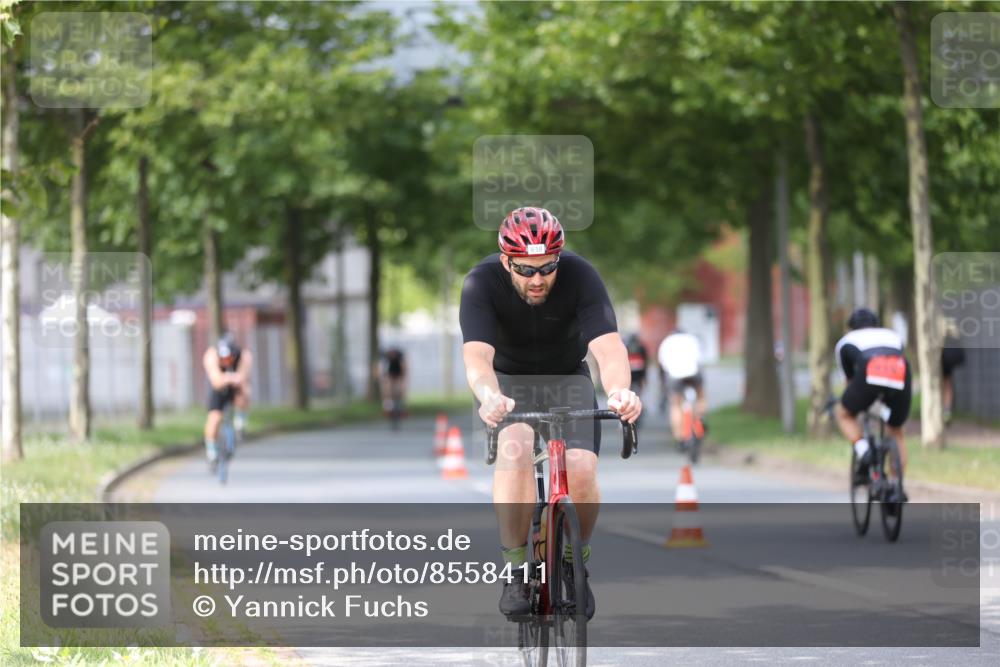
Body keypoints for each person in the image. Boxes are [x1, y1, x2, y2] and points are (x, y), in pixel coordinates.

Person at [459, 206, 641, 620]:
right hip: (508, 384)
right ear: (506, 260)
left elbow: (608, 347)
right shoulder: (481, 283)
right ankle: (516, 569)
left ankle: (575, 562)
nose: (537, 279)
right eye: (525, 270)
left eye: (547, 267)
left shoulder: (581, 275)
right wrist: (489, 395)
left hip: (566, 376)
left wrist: (619, 392)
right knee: (517, 446)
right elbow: (477, 358)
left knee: (580, 467)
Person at [833, 307, 911, 496]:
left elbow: (850, 383)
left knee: (842, 413)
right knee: (896, 431)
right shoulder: (892, 335)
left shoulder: (845, 342)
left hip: (869, 371)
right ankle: (896, 486)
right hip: (901, 373)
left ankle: (864, 450)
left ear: (850, 328)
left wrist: (857, 404)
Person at [203, 332, 253, 466]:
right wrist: (231, 378)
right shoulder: (211, 355)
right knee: (214, 419)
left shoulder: (244, 355)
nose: (226, 362)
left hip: (235, 386)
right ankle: (211, 451)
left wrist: (234, 378)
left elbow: (242, 377)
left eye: (230, 359)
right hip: (219, 389)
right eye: (223, 359)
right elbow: (216, 380)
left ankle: (240, 423)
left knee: (245, 392)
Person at [657, 328, 706, 442]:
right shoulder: (692, 339)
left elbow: (663, 366)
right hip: (693, 373)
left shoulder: (667, 342)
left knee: (676, 405)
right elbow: (700, 360)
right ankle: (700, 422)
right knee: (701, 397)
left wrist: (663, 384)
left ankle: (679, 437)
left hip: (675, 375)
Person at [941, 319, 965, 423]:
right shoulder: (948, 322)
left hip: (942, 359)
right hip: (946, 359)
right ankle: (946, 410)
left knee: (945, 385)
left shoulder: (938, 320)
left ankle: (945, 410)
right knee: (947, 385)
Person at [379, 347, 408, 415]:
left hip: (398, 371)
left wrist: (403, 379)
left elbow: (404, 367)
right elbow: (381, 368)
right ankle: (388, 406)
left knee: (401, 388)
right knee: (387, 388)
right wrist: (383, 378)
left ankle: (402, 406)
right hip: (390, 372)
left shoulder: (400, 356)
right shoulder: (385, 356)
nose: (392, 356)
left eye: (393, 355)